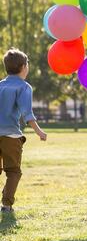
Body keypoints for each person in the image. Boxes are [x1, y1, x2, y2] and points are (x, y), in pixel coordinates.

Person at [0, 48, 47, 212]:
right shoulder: (24, 87)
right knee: (13, 171)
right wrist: (39, 132)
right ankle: (6, 205)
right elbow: (28, 113)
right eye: (27, 64)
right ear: (23, 67)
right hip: (11, 136)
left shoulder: (0, 85)